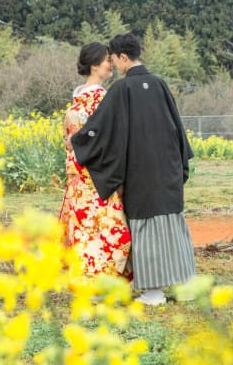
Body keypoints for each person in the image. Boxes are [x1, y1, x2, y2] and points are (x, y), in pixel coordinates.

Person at [70, 32, 196, 306]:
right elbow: (177, 126)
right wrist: (181, 162)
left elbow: (102, 130)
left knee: (147, 229)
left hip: (141, 172)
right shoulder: (160, 84)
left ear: (123, 57)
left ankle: (153, 293)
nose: (113, 64)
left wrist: (78, 141)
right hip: (168, 168)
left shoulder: (122, 90)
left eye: (114, 58)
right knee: (172, 225)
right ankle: (184, 286)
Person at [58, 42, 132, 277]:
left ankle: (90, 280)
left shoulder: (79, 100)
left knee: (88, 229)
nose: (111, 64)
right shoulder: (99, 99)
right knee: (105, 230)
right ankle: (101, 281)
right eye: (107, 60)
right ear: (94, 65)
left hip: (82, 175)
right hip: (96, 174)